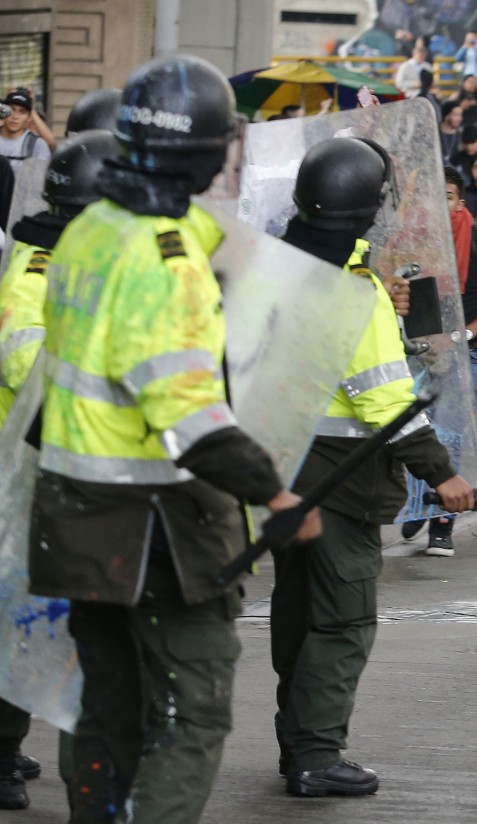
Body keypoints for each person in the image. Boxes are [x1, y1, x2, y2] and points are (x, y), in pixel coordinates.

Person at [28, 55, 321, 822]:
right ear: (206, 152)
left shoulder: (90, 229)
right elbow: (189, 419)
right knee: (191, 714)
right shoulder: (168, 265)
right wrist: (278, 493)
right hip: (155, 526)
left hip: (73, 516)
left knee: (105, 709)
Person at [273, 139, 476, 797]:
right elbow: (386, 399)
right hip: (342, 481)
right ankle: (314, 757)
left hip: (283, 475)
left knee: (298, 614)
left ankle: (298, 745)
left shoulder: (279, 266)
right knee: (341, 620)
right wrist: (441, 472)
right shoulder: (352, 293)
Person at [0, 128, 120, 812]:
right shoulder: (37, 268)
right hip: (29, 467)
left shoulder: (83, 261)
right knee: (21, 615)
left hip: (66, 464)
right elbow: (25, 362)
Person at [400, 168, 477, 554]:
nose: (440, 204)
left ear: (460, 201)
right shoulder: (417, 239)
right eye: (433, 196)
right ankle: (422, 500)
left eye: (448, 196)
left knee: (448, 435)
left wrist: (462, 335)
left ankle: (441, 526)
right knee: (415, 429)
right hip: (429, 351)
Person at [0, 89, 52, 174]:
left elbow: (40, 181)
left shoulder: (37, 145)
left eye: (22, 112)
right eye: (11, 110)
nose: (15, 116)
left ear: (29, 118)